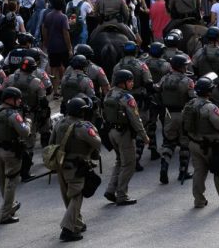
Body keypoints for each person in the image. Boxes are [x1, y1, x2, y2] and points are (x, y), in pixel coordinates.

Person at [181, 76, 219, 208]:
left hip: (194, 143)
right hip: (209, 146)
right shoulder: (210, 108)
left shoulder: (189, 104)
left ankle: (199, 200)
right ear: (209, 91)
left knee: (199, 172)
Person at [50, 95, 103, 242]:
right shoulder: (82, 126)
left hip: (61, 165)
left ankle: (77, 223)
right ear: (82, 112)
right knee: (77, 196)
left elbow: (51, 143)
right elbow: (97, 143)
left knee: (68, 195)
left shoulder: (59, 123)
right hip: (77, 166)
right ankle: (68, 229)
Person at [0, 86, 33, 224]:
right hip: (11, 152)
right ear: (10, 99)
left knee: (1, 179)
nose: (19, 101)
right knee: (11, 181)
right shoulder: (13, 115)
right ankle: (5, 214)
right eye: (17, 99)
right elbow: (25, 132)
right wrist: (28, 122)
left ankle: (10, 205)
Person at [103, 68, 148, 205]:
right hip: (124, 135)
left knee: (119, 161)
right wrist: (144, 136)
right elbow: (135, 119)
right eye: (130, 81)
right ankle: (122, 195)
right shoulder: (127, 98)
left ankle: (111, 190)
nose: (132, 83)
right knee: (129, 163)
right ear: (122, 83)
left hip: (111, 132)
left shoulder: (109, 94)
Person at [158, 53, 195, 184]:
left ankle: (164, 167)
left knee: (169, 142)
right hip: (183, 114)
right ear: (180, 67)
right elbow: (193, 99)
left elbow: (157, 92)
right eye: (185, 66)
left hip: (168, 115)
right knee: (185, 144)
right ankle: (183, 171)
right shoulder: (188, 81)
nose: (186, 68)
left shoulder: (164, 79)